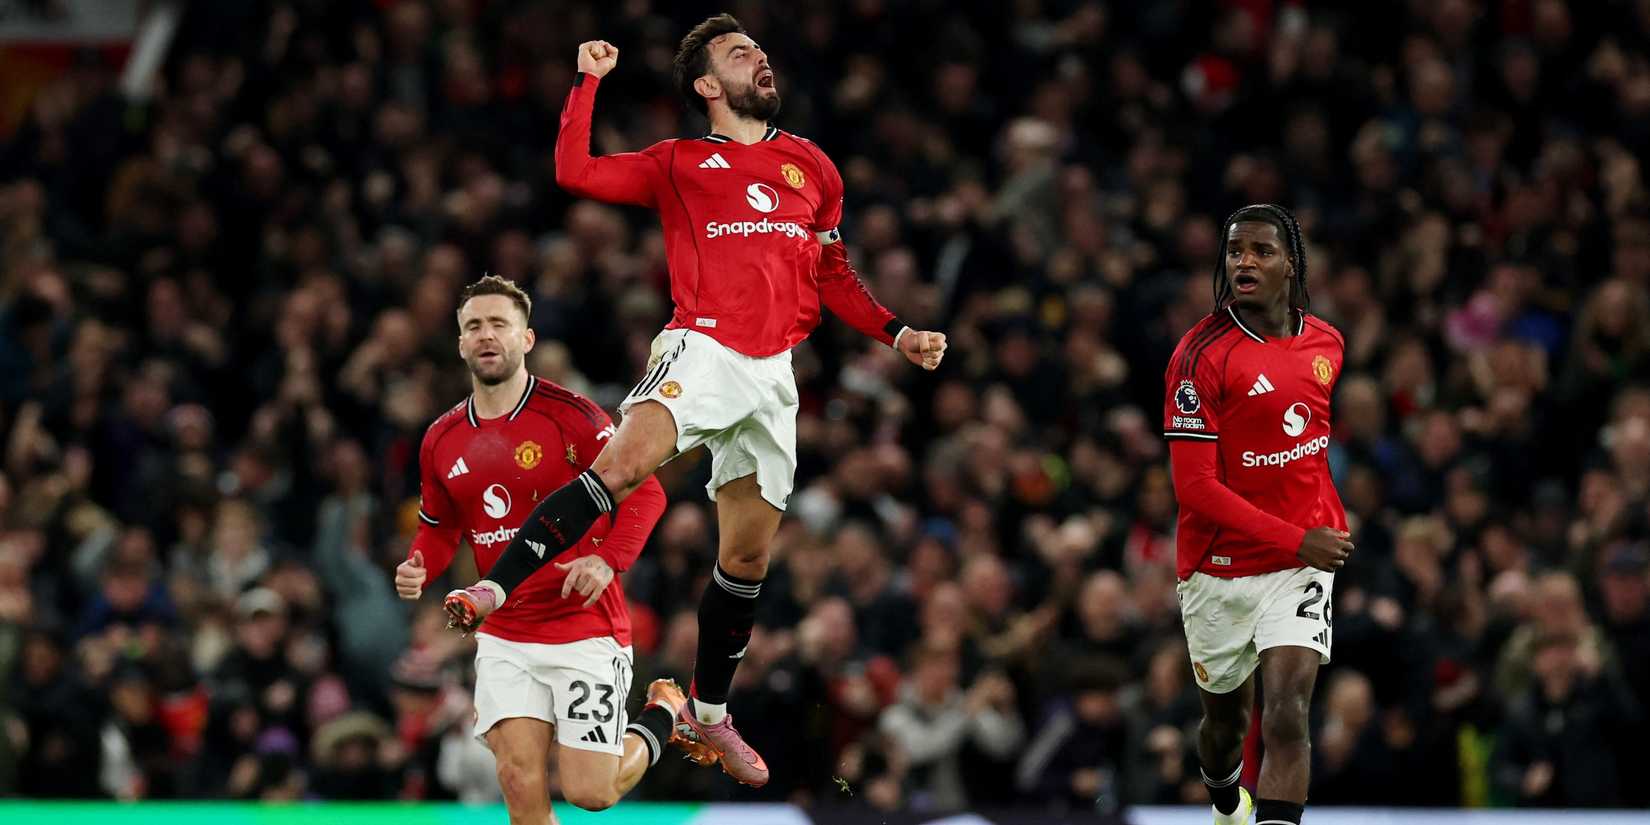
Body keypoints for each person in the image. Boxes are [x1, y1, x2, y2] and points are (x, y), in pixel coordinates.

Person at [440, 13, 948, 787]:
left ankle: (703, 714)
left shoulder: (813, 167)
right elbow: (575, 172)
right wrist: (588, 81)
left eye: (761, 50)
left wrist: (898, 332)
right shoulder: (678, 162)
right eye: (742, 54)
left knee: (745, 557)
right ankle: (494, 584)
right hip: (703, 346)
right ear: (709, 86)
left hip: (775, 372)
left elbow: (832, 275)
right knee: (623, 465)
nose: (761, 59)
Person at [393, 276, 689, 821]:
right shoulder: (440, 437)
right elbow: (438, 527)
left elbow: (645, 489)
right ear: (460, 343)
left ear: (526, 338)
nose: (486, 336)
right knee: (516, 779)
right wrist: (420, 564)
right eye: (473, 326)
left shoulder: (571, 416)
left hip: (583, 624)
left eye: (499, 324)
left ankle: (665, 712)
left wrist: (607, 558)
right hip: (505, 629)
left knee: (589, 793)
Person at [1161, 204, 1353, 825]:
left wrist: (1311, 534)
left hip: (1299, 564)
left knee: (1288, 714)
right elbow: (1194, 489)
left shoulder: (1327, 342)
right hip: (1219, 566)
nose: (1245, 261)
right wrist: (1298, 538)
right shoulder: (1199, 357)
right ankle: (1223, 796)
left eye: (1262, 251)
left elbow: (1308, 447)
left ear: (1290, 265)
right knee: (1225, 724)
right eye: (1236, 251)